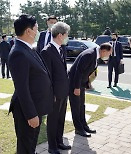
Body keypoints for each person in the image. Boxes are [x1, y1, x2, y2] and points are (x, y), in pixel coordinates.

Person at [8, 14, 54, 154]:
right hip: (27, 111)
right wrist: (31, 114)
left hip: (36, 107)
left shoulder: (28, 48)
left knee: (31, 146)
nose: (37, 32)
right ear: (28, 31)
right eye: (36, 28)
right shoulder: (19, 53)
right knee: (26, 148)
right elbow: (22, 88)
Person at [69, 43, 112, 137]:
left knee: (81, 105)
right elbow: (78, 71)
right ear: (103, 51)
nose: (109, 56)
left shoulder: (96, 55)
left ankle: (84, 126)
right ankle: (79, 129)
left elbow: (87, 72)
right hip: (74, 83)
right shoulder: (88, 55)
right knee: (76, 107)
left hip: (82, 83)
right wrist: (76, 87)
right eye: (109, 54)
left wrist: (87, 83)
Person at [41, 22, 71, 154]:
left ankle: (59, 142)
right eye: (66, 34)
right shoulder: (47, 51)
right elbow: (47, 76)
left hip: (63, 92)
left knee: (61, 118)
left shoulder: (61, 49)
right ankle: (52, 146)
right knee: (52, 120)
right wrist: (50, 94)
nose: (67, 37)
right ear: (60, 35)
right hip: (54, 94)